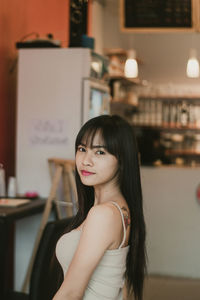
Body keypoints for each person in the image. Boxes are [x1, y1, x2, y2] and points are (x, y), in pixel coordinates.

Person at [53, 115, 146, 300]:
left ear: (122, 160)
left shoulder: (104, 214)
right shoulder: (120, 209)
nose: (86, 160)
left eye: (100, 152)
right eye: (82, 149)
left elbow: (71, 293)